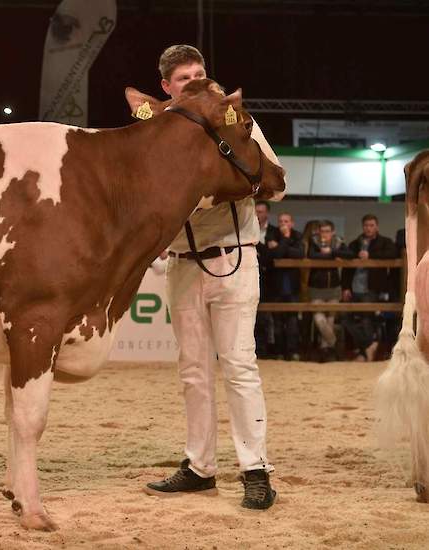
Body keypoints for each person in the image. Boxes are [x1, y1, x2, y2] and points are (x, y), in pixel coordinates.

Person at [143, 45, 279, 510]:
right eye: (184, 78)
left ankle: (255, 469)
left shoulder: (236, 118)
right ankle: (200, 467)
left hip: (234, 256)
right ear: (166, 88)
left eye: (201, 74)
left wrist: (215, 194)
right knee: (194, 371)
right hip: (182, 260)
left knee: (239, 365)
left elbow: (275, 183)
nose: (196, 83)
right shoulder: (156, 129)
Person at [340, 214, 397, 362]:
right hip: (353, 288)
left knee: (366, 319)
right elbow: (346, 268)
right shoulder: (355, 243)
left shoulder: (385, 242)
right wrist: (345, 288)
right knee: (345, 317)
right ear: (362, 226)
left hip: (372, 288)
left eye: (371, 225)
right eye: (366, 225)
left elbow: (393, 254)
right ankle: (370, 345)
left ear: (376, 226)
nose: (368, 228)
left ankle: (364, 353)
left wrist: (370, 255)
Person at [306, 220, 354, 362]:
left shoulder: (338, 242)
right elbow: (312, 256)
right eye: (322, 231)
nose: (324, 234)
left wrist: (331, 252)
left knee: (330, 320)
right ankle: (335, 344)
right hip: (316, 287)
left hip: (334, 287)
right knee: (320, 320)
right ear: (318, 231)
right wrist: (334, 256)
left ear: (332, 232)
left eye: (327, 231)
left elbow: (350, 254)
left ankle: (325, 350)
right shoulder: (313, 241)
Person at [265, 213, 304, 360]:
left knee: (293, 323)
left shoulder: (298, 235)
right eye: (280, 221)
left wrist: (282, 245)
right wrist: (287, 241)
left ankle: (292, 352)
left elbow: (300, 254)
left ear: (292, 223)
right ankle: (279, 352)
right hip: (276, 285)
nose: (283, 224)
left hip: (292, 286)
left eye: (286, 221)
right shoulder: (272, 234)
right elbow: (274, 255)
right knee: (277, 323)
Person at [254, 201, 280, 358]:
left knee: (267, 318)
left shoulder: (275, 232)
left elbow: (274, 256)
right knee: (252, 317)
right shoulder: (245, 230)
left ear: (267, 213)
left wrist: (263, 251)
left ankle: (267, 350)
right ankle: (256, 349)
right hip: (250, 278)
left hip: (270, 280)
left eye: (261, 211)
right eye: (256, 211)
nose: (258, 214)